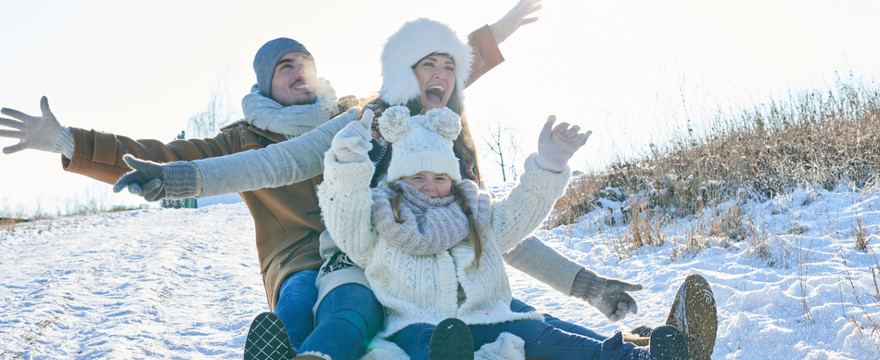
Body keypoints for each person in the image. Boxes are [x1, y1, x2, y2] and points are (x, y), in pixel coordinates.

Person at [113, 18, 718, 360]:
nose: (441, 77)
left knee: (522, 321)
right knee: (341, 312)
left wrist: (588, 285)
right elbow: (272, 164)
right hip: (362, 260)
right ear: (404, 73)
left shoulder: (449, 139)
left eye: (450, 69)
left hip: (445, 271)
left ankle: (648, 352)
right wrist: (174, 179)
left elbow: (497, 231)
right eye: (428, 67)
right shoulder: (364, 120)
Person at [316, 81, 689, 359]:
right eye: (418, 177)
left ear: (453, 178)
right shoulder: (382, 219)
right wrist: (346, 164)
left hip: (492, 318)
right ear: (399, 179)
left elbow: (520, 214)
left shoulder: (475, 215)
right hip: (416, 327)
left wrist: (548, 165)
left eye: (440, 177)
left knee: (550, 340)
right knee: (429, 348)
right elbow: (343, 215)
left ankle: (639, 357)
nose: (430, 186)